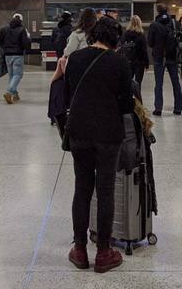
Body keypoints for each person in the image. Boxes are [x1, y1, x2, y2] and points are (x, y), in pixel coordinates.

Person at [64, 16, 134, 273]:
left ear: (94, 35)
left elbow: (69, 94)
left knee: (81, 189)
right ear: (116, 39)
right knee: (105, 191)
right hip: (108, 134)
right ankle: (104, 252)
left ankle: (79, 249)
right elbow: (127, 106)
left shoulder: (75, 59)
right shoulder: (120, 63)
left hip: (79, 133)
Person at [147, 4, 182, 116]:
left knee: (158, 83)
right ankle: (178, 108)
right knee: (176, 82)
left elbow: (150, 42)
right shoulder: (174, 23)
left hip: (159, 57)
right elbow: (180, 38)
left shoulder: (154, 25)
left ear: (157, 11)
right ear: (167, 10)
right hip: (172, 56)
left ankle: (158, 108)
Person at [0, 13, 31, 103]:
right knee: (18, 75)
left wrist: (5, 49)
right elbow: (25, 43)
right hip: (18, 55)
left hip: (7, 55)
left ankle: (15, 94)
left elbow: (0, 42)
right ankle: (9, 92)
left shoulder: (4, 28)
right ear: (21, 20)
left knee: (11, 76)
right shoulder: (22, 29)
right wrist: (28, 39)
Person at [120, 15, 149, 87]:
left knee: (128, 82)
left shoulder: (126, 34)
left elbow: (121, 46)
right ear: (139, 23)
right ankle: (137, 97)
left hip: (128, 60)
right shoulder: (141, 35)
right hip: (139, 62)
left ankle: (128, 97)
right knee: (138, 82)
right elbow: (144, 50)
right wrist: (146, 63)